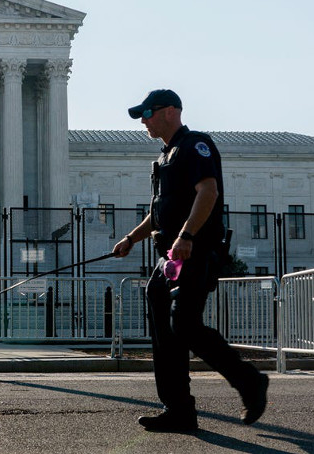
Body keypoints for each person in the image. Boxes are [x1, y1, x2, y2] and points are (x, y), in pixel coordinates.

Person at [113, 89, 268, 432]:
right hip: (168, 257)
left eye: (148, 112)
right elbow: (158, 215)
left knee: (184, 325)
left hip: (193, 252)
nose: (143, 120)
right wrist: (129, 239)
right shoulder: (165, 157)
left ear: (170, 111)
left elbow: (208, 191)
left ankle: (249, 381)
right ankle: (178, 409)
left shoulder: (195, 146)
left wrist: (187, 236)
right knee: (163, 332)